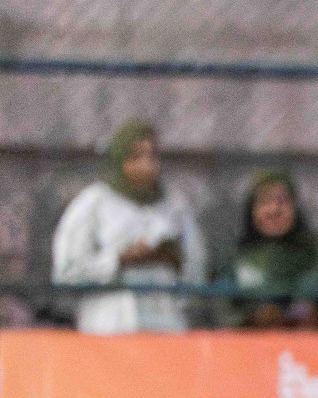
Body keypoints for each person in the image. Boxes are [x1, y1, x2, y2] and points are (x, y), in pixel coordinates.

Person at [52, 119, 208, 334]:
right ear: (119, 159)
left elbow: (197, 273)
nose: (146, 165)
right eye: (135, 157)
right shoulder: (94, 202)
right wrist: (121, 259)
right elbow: (66, 273)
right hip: (109, 329)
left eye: (152, 156)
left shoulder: (176, 207)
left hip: (165, 329)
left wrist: (172, 259)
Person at [225, 169, 318, 330]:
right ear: (252, 210)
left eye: (282, 201)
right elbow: (222, 311)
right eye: (264, 202)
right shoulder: (237, 259)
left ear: (295, 208)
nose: (274, 210)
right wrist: (253, 320)